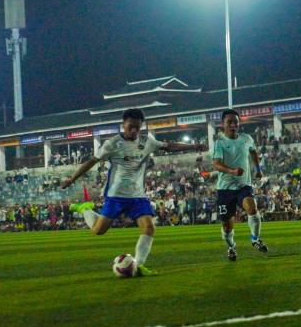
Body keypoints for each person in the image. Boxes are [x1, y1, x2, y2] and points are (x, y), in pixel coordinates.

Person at [60, 108, 206, 276]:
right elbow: (92, 161)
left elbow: (169, 146)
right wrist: (72, 179)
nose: (134, 130)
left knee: (149, 228)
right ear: (123, 125)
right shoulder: (112, 144)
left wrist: (193, 145)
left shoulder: (147, 141)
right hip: (116, 196)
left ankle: (139, 266)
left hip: (137, 196)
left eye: (138, 127)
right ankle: (85, 209)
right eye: (131, 126)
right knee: (98, 230)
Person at [213, 108, 269, 262]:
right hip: (225, 189)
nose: (233, 125)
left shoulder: (246, 139)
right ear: (223, 124)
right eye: (229, 122)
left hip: (244, 185)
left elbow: (253, 152)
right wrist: (232, 171)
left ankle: (255, 239)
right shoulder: (220, 143)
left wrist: (258, 169)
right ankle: (231, 247)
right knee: (227, 227)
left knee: (252, 208)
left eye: (236, 122)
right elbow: (216, 164)